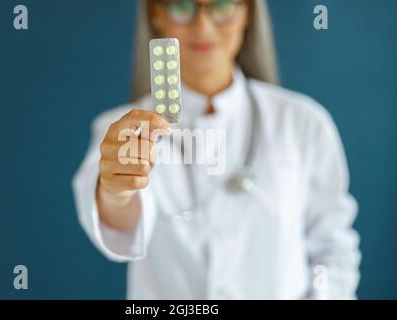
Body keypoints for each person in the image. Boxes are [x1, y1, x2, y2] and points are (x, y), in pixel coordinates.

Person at [72, 0, 361, 299]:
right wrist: (117, 191)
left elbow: (333, 248)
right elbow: (114, 220)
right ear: (156, 12)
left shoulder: (303, 122)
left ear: (248, 12)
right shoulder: (121, 130)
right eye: (182, 7)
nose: (203, 26)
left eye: (221, 6)